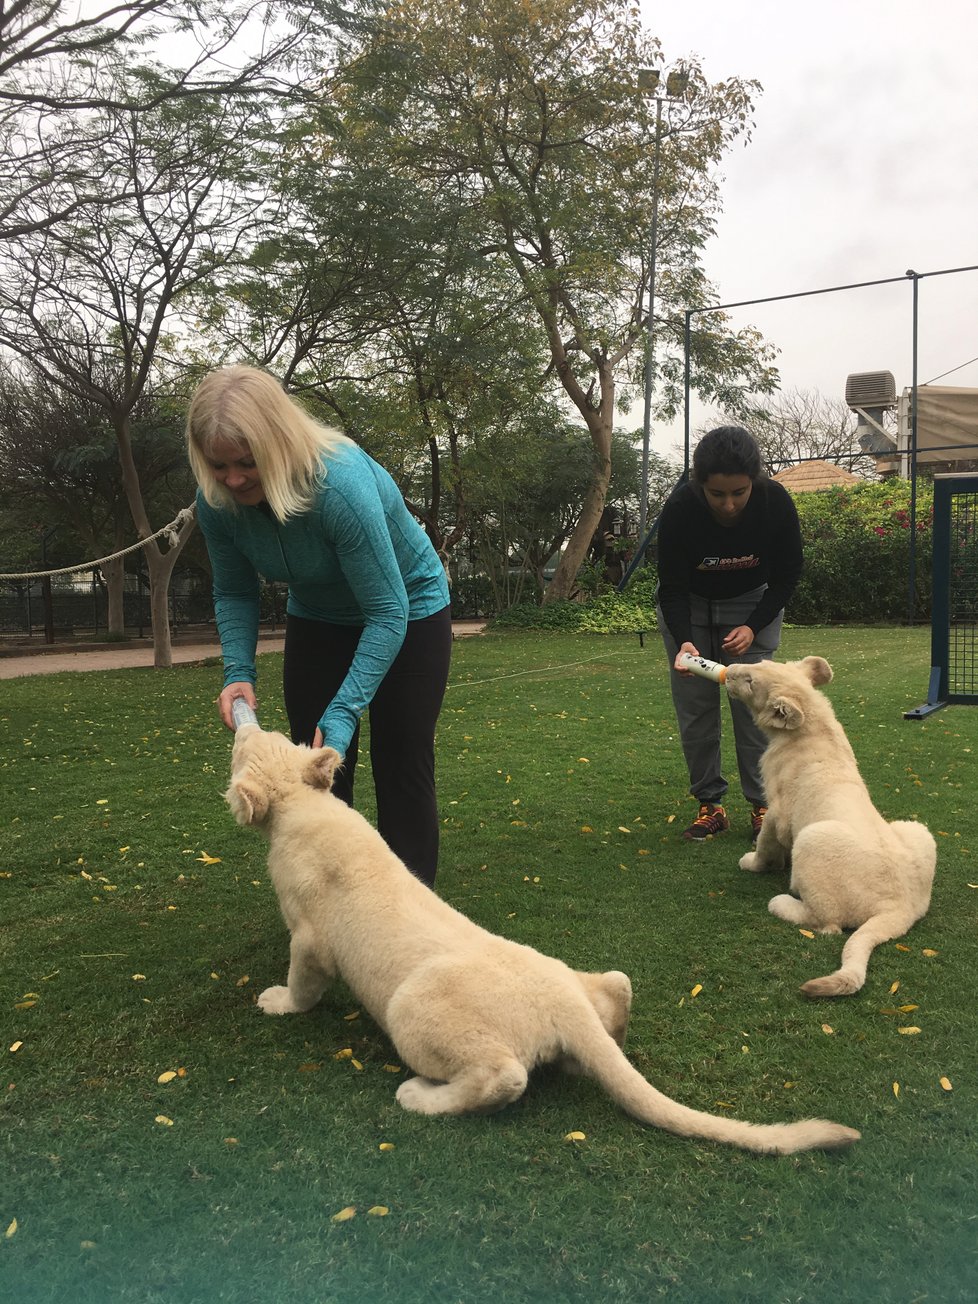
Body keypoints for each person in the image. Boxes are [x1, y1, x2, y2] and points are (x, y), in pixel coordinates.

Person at [186, 365, 452, 889]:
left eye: (247, 462)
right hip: (318, 618)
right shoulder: (216, 503)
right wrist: (238, 671)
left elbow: (386, 611)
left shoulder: (339, 486)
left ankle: (414, 915)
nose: (233, 479)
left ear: (279, 443)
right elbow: (235, 590)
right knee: (318, 771)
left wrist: (347, 706)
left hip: (410, 609)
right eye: (218, 465)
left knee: (401, 762)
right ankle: (334, 900)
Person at [655, 426, 803, 843]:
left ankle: (763, 807)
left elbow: (787, 575)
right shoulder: (682, 506)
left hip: (751, 602)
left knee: (755, 708)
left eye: (739, 492)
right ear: (700, 484)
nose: (729, 504)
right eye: (717, 494)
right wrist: (684, 639)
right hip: (690, 608)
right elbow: (672, 586)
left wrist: (753, 625)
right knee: (696, 709)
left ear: (753, 480)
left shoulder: (775, 502)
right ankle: (710, 805)